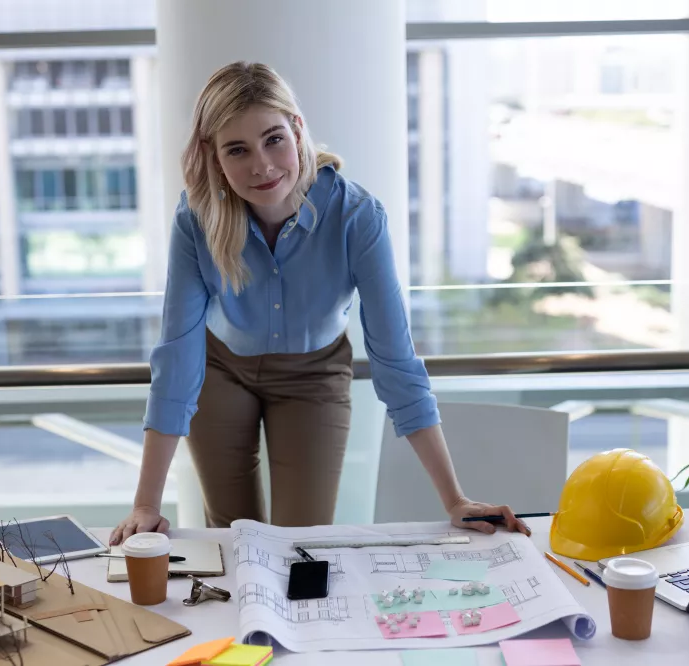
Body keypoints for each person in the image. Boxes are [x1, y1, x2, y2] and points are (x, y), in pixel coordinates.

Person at [110, 62, 530, 546]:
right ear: (213, 154)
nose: (262, 166)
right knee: (233, 539)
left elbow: (395, 361)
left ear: (297, 129)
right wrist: (146, 504)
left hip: (314, 375)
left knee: (300, 545)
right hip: (220, 368)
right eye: (237, 149)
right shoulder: (196, 219)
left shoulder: (357, 217)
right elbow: (177, 358)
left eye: (273, 139)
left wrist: (455, 499)